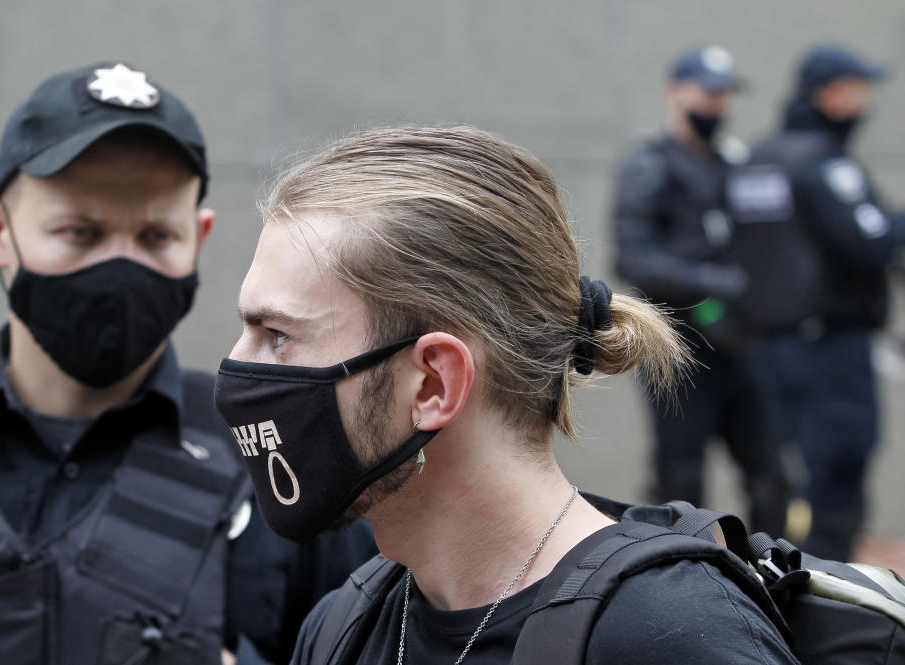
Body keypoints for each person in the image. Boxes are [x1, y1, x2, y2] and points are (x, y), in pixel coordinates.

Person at [213, 125, 799, 664]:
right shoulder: (345, 624)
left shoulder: (672, 635)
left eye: (277, 336)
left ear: (433, 384)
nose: (237, 366)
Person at [0, 62, 376, 665]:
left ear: (198, 238)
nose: (121, 266)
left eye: (155, 237)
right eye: (80, 232)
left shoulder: (280, 456)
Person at [726, 45, 905, 561]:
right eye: (860, 90)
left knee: (783, 476)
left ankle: (774, 582)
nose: (866, 102)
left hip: (765, 347)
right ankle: (825, 597)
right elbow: (871, 242)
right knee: (836, 471)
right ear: (833, 94)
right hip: (830, 351)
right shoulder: (823, 164)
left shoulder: (756, 160)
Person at [611, 46, 791, 535]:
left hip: (741, 343)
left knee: (772, 475)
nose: (717, 105)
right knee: (682, 479)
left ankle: (775, 583)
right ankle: (683, 581)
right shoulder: (650, 167)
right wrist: (715, 286)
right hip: (680, 347)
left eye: (725, 95)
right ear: (676, 92)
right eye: (709, 93)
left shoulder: (736, 164)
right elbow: (634, 259)